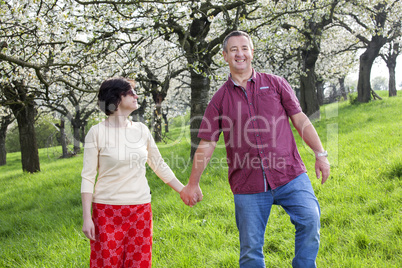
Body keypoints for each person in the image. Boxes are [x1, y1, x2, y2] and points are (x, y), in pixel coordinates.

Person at [180, 31, 330, 268]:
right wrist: (192, 183)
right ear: (225, 56)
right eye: (233, 50)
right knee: (250, 250)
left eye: (244, 48)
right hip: (248, 184)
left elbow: (300, 120)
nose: (240, 54)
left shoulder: (276, 84)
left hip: (290, 174)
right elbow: (207, 144)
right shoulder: (218, 100)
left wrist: (320, 154)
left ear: (252, 52)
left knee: (310, 220)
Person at [81, 77, 184, 268]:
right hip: (106, 211)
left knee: (139, 263)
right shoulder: (96, 133)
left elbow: (159, 165)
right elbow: (87, 177)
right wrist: (87, 218)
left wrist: (183, 190)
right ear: (116, 97)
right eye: (131, 92)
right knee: (107, 264)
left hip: (140, 210)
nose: (137, 96)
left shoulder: (141, 130)